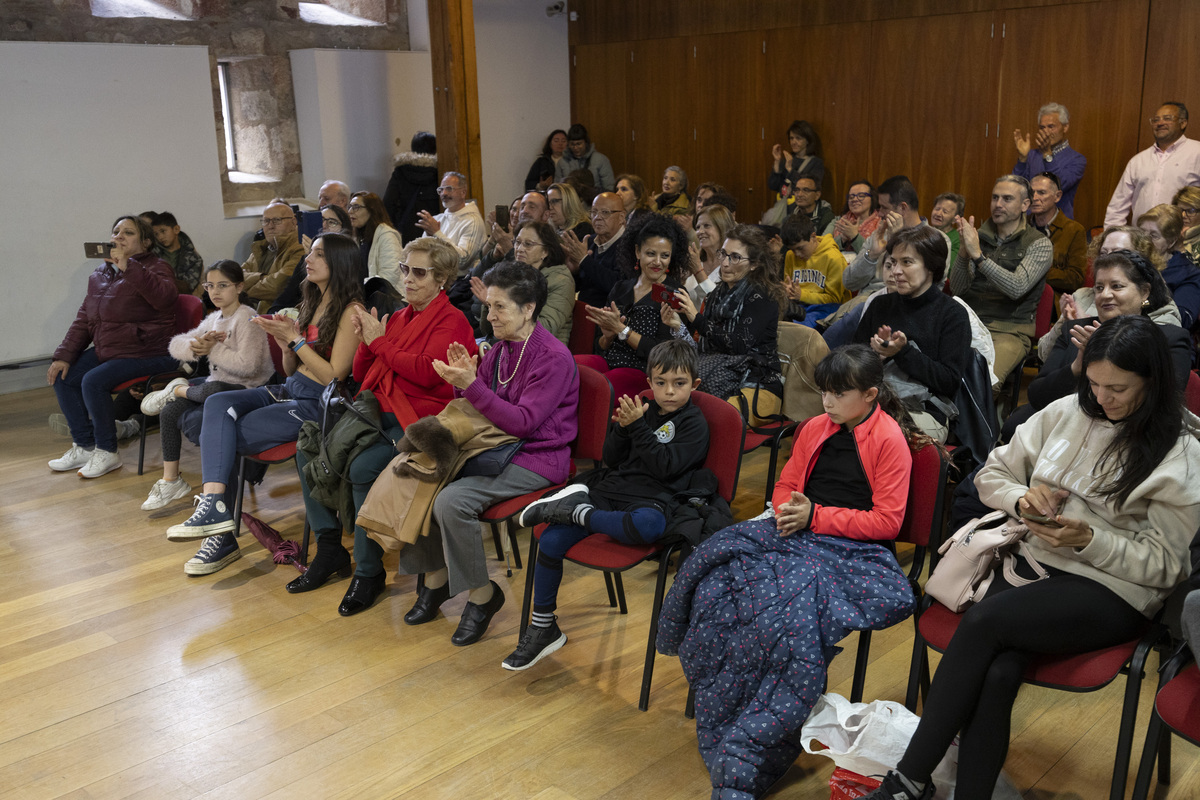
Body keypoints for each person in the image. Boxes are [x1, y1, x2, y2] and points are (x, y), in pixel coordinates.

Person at [864, 315, 1200, 800]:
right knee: (999, 671)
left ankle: (907, 780)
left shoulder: (1180, 455)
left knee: (986, 623)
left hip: (1113, 589)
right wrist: (1022, 500)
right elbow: (990, 474)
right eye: (1095, 382)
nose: (1102, 399)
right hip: (1037, 567)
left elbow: (1168, 567)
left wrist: (1090, 540)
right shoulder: (1070, 410)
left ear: (1153, 382)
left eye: (1118, 389)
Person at [658, 345, 934, 800]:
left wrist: (816, 517)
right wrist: (788, 508)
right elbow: (788, 482)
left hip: (853, 549)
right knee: (717, 575)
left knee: (789, 615)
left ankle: (748, 749)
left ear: (869, 395)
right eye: (823, 391)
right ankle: (730, 714)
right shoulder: (814, 428)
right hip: (797, 530)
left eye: (837, 393)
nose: (826, 402)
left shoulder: (889, 440)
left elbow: (887, 522)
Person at [389, 262, 579, 646]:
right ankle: (436, 578)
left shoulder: (553, 357)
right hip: (498, 447)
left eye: (499, 307)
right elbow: (479, 410)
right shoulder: (504, 347)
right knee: (415, 472)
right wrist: (462, 383)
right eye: (488, 306)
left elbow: (524, 423)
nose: (489, 315)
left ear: (528, 309)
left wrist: (472, 384)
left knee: (451, 502)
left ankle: (482, 595)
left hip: (537, 457)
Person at [289, 238, 478, 610]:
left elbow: (427, 375)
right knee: (308, 448)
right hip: (377, 412)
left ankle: (369, 571)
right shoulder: (402, 316)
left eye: (419, 272)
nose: (407, 279)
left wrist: (379, 344)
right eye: (405, 269)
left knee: (362, 466)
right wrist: (365, 342)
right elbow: (363, 374)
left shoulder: (452, 319)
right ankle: (329, 548)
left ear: (441, 279)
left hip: (419, 422)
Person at [162, 233, 364, 576]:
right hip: (289, 388)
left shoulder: (351, 311)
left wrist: (294, 340)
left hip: (317, 405)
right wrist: (287, 347)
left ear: (340, 264)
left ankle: (222, 533)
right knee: (217, 405)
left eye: (318, 254)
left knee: (221, 431)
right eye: (310, 252)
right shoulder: (312, 301)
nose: (308, 259)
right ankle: (214, 506)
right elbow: (292, 369)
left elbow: (334, 376)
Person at [507, 340, 709, 670]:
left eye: (679, 383)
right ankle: (544, 626)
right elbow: (611, 459)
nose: (669, 391)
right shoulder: (640, 408)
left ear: (695, 384)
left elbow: (666, 467)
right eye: (660, 383)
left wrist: (638, 428)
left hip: (654, 497)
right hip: (612, 490)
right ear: (649, 382)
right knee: (551, 540)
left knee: (649, 527)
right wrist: (623, 428)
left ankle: (576, 510)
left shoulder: (694, 423)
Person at [1004, 249, 1192, 440]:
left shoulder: (1169, 338)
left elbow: (1165, 402)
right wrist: (1077, 367)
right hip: (1061, 427)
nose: (1105, 295)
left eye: (1117, 286)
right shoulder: (1075, 330)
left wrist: (1117, 357)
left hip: (1130, 434)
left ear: (1145, 292)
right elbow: (1037, 396)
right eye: (1099, 288)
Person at [48, 215, 180, 479]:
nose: (118, 236)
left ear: (145, 242)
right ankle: (85, 445)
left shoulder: (157, 267)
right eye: (116, 231)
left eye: (128, 233)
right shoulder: (100, 273)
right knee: (64, 376)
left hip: (149, 351)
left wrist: (128, 267)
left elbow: (165, 298)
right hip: (114, 349)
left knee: (93, 381)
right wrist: (63, 355)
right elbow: (85, 318)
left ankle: (107, 452)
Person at [137, 261, 274, 510]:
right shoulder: (213, 319)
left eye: (223, 285)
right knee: (170, 411)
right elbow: (175, 344)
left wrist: (213, 349)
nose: (215, 291)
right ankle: (171, 480)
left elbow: (248, 367)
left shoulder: (247, 317)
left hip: (249, 388)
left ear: (240, 286)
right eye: (210, 285)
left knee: (214, 391)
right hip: (218, 382)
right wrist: (196, 345)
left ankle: (175, 389)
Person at [854, 225, 971, 442]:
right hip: (874, 401)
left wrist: (903, 352)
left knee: (873, 431)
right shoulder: (881, 304)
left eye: (907, 262)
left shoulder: (952, 314)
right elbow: (851, 360)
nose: (896, 271)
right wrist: (873, 356)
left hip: (923, 410)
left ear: (931, 266)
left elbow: (949, 382)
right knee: (825, 424)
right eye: (894, 262)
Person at [667, 224, 786, 425]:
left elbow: (738, 345)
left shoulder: (763, 296)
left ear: (754, 264)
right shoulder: (717, 294)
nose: (725, 263)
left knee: (709, 417)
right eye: (723, 254)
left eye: (735, 257)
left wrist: (696, 319)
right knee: (671, 400)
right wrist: (680, 324)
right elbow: (706, 345)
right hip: (720, 371)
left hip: (757, 382)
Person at [950, 174, 1053, 386]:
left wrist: (978, 256)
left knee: (984, 384)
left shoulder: (1039, 244)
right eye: (994, 198)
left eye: (1007, 199)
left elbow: (1017, 287)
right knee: (938, 375)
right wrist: (963, 252)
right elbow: (958, 290)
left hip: (1009, 331)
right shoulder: (977, 237)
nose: (998, 204)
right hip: (969, 324)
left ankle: (990, 416)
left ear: (1025, 205)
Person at [587, 214, 694, 370]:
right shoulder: (620, 288)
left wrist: (621, 329)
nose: (658, 262)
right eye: (651, 254)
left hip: (645, 372)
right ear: (638, 252)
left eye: (664, 256)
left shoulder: (675, 294)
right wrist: (608, 337)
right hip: (608, 363)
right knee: (575, 367)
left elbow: (664, 353)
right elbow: (599, 345)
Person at [476, 221, 574, 345]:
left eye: (528, 244)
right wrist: (490, 305)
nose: (519, 249)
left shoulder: (561, 280)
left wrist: (503, 307)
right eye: (517, 242)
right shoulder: (513, 274)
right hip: (507, 344)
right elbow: (487, 330)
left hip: (544, 350)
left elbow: (546, 328)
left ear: (545, 251)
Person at [1105, 101, 1200, 226]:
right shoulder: (1138, 160)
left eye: (1167, 118)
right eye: (1155, 120)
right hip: (1143, 240)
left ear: (1183, 123)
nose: (1160, 123)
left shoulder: (1197, 152)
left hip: (1184, 240)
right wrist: (1113, 241)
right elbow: (1117, 208)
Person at [268, 205, 355, 315]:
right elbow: (285, 298)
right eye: (321, 220)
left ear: (344, 230)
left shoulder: (351, 260)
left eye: (332, 222)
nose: (324, 226)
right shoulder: (306, 259)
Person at [1011, 102, 1086, 219]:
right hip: (1030, 223)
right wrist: (1022, 159)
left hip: (1059, 226)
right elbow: (1015, 187)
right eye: (1042, 128)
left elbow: (1059, 185)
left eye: (1051, 127)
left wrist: (1047, 154)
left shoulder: (1077, 159)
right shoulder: (1032, 155)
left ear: (1065, 127)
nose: (1046, 132)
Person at [781, 213, 852, 327]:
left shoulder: (833, 258)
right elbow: (789, 286)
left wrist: (802, 295)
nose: (797, 254)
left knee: (801, 325)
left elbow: (834, 299)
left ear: (813, 237)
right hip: (799, 305)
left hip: (827, 308)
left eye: (800, 248)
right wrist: (787, 291)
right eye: (793, 250)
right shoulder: (790, 255)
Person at [1138, 203, 1200, 329]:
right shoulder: (1129, 261)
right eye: (1141, 233)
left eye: (1153, 236)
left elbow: (1184, 318)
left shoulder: (1188, 273)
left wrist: (1160, 289)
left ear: (1171, 242)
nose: (1144, 240)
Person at [415, 171, 487, 276]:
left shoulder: (472, 221)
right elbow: (422, 256)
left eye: (449, 189)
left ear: (463, 192)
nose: (444, 193)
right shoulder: (436, 219)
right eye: (441, 190)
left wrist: (437, 233)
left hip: (461, 283)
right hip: (434, 279)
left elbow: (462, 261)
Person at [562, 191, 627, 306]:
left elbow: (618, 286)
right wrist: (575, 271)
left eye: (605, 212)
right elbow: (582, 287)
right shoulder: (590, 241)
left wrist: (584, 261)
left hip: (609, 316)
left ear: (621, 217)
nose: (597, 217)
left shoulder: (629, 245)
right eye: (594, 212)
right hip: (584, 312)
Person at [241, 199, 307, 313]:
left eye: (277, 220)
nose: (270, 226)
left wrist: (243, 287)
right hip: (248, 311)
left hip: (277, 314)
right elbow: (236, 278)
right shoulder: (261, 247)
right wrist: (263, 278)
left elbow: (278, 288)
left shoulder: (300, 248)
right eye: (266, 221)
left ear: (294, 221)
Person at [1029, 172, 1087, 296]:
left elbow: (1075, 279)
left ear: (1057, 196)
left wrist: (1035, 270)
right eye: (1031, 192)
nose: (1034, 198)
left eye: (1041, 192)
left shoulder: (1074, 230)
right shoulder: (1020, 226)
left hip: (1054, 302)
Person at [383, 131, 439, 244]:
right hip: (433, 230)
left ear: (413, 148)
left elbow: (388, 202)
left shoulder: (401, 171)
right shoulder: (439, 172)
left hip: (406, 231)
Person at [348, 191, 404, 290]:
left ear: (371, 210)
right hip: (366, 296)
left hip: (388, 299)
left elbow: (389, 277)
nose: (350, 211)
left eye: (356, 207)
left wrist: (360, 287)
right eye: (350, 206)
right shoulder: (358, 237)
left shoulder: (387, 236)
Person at [685, 203, 734, 304]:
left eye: (706, 226)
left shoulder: (734, 263)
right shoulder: (693, 260)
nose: (700, 232)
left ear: (722, 228)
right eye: (698, 227)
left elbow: (722, 303)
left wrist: (698, 271)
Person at [767, 119, 825, 201]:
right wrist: (777, 162)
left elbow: (808, 189)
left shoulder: (816, 163)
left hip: (802, 210)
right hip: (783, 209)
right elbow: (773, 186)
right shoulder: (787, 160)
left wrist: (790, 170)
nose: (794, 142)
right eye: (791, 138)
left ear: (807, 140)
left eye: (798, 138)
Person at [150, 211, 205, 294]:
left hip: (184, 300)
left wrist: (163, 282)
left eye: (163, 231)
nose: (160, 237)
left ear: (176, 229)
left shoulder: (193, 258)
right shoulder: (152, 255)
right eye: (156, 234)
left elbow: (188, 287)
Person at [554, 123, 615, 191]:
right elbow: (557, 188)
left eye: (579, 144)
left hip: (595, 199)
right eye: (572, 144)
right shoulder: (562, 162)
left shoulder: (600, 160)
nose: (575, 147)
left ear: (586, 143)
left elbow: (609, 187)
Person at [825, 181, 881, 254]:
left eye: (861, 196)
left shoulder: (882, 223)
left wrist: (854, 237)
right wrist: (842, 239)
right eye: (851, 197)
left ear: (872, 198)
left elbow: (874, 256)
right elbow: (823, 248)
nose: (854, 199)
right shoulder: (838, 221)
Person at [929, 192, 965, 270]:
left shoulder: (958, 239)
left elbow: (949, 268)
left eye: (945, 212)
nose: (938, 214)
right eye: (937, 209)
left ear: (954, 219)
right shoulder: (923, 232)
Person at [1173, 185, 1200, 262]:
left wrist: (1180, 248)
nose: (1183, 215)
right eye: (1180, 210)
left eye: (1191, 211)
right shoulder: (1169, 235)